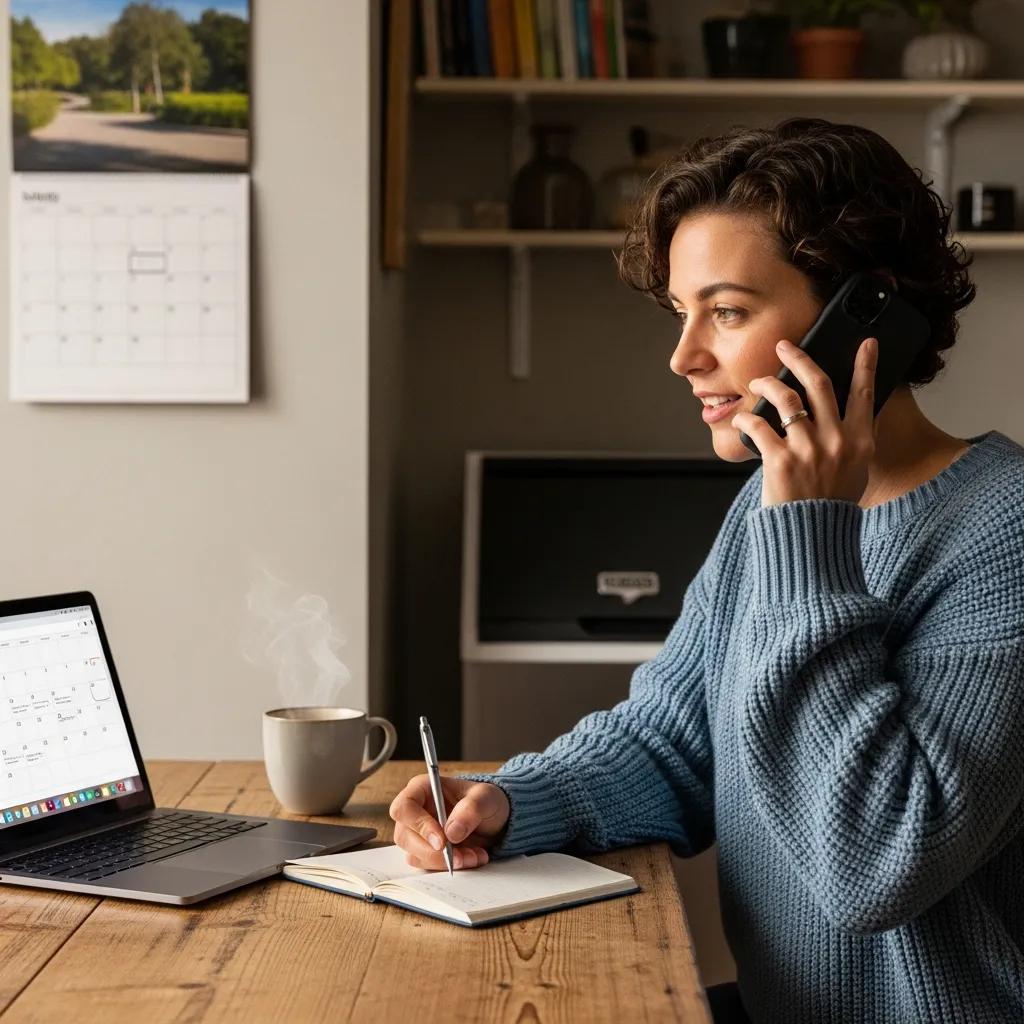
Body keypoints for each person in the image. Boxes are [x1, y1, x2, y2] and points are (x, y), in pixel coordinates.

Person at [388, 117, 1024, 1024]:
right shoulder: (764, 513)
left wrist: (811, 528)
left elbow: (874, 865)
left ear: (865, 313)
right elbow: (674, 741)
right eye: (682, 313)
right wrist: (510, 800)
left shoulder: (1004, 532)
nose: (684, 357)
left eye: (725, 312)